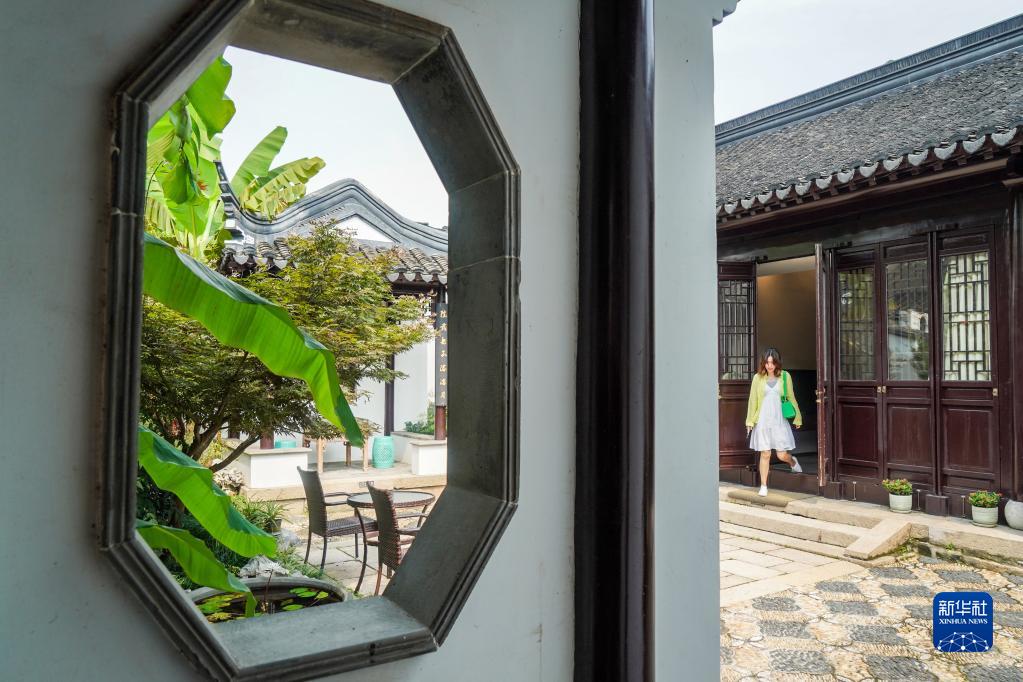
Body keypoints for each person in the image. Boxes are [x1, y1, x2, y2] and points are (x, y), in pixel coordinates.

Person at [745, 347, 802, 496]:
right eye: (767, 362)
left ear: (777, 363)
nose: (770, 366)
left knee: (781, 454)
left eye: (772, 362)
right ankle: (763, 486)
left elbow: (791, 397)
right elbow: (752, 401)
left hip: (779, 420)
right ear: (763, 363)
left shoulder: (785, 376)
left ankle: (792, 462)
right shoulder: (757, 378)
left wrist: (798, 417)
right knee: (765, 453)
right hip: (763, 420)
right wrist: (749, 421)